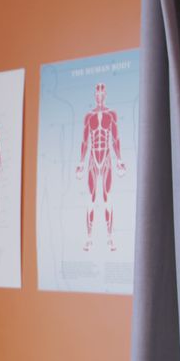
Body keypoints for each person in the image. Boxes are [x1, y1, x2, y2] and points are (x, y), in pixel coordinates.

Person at [75, 82, 127, 251]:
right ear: (94, 96)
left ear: (105, 95)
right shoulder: (88, 116)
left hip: (106, 158)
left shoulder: (111, 115)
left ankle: (110, 238)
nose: (99, 96)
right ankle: (89, 238)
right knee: (90, 199)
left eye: (101, 94)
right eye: (96, 94)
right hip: (92, 159)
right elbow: (84, 141)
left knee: (107, 197)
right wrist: (81, 163)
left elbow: (115, 139)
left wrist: (119, 159)